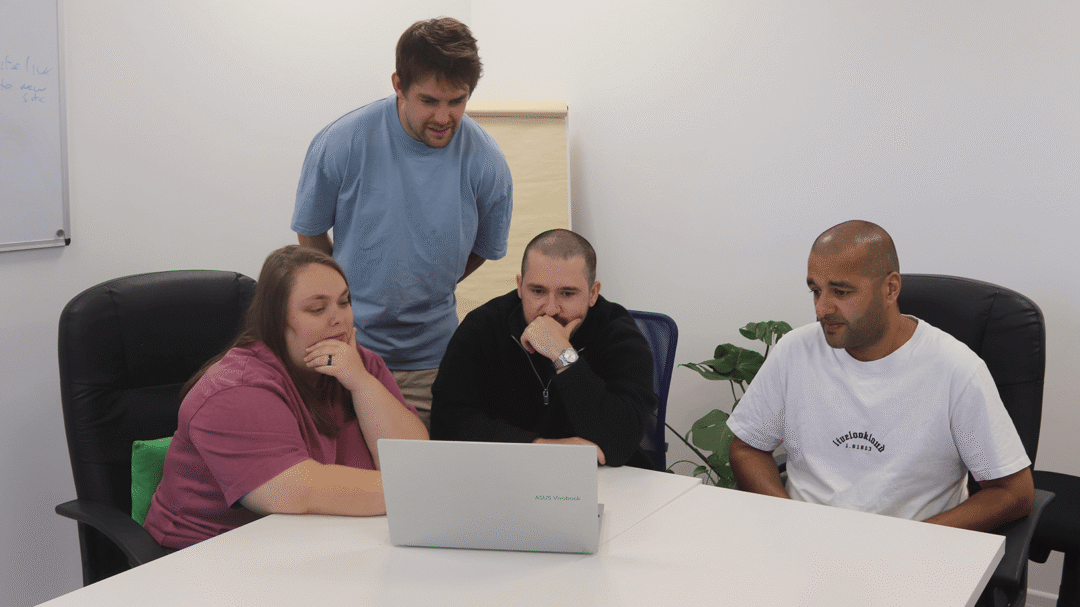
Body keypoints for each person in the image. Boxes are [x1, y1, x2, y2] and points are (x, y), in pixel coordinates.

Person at [727, 220, 1034, 531]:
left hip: (910, 553)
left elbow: (1013, 493)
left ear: (890, 288)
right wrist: (790, 520)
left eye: (841, 291)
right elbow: (747, 447)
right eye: (815, 291)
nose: (821, 309)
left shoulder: (955, 370)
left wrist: (912, 540)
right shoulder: (795, 351)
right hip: (805, 543)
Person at [291, 17, 513, 429]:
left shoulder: (487, 162)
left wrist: (428, 281)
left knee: (423, 483)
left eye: (457, 101)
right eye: (429, 100)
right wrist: (342, 301)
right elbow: (310, 233)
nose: (444, 117)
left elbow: (484, 248)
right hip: (346, 348)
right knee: (346, 480)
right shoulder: (342, 141)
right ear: (398, 84)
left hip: (433, 361)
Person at [143, 246, 428, 549]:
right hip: (204, 556)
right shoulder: (234, 389)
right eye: (317, 309)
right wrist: (415, 491)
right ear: (276, 319)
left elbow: (413, 459)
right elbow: (293, 491)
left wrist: (361, 384)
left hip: (312, 541)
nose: (338, 319)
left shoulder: (358, 364)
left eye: (344, 302)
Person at [430, 229, 655, 468]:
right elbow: (447, 425)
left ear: (592, 293)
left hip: (606, 480)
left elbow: (619, 444)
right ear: (519, 286)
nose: (550, 309)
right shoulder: (483, 326)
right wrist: (540, 447)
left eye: (567, 293)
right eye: (537, 291)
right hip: (508, 472)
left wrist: (563, 355)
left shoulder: (619, 335)